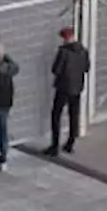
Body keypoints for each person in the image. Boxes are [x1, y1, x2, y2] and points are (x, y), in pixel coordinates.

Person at [44, 27, 90, 157]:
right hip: (77, 87)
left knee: (56, 115)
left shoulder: (63, 52)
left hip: (63, 87)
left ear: (65, 38)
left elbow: (56, 69)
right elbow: (87, 67)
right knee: (74, 115)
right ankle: (70, 143)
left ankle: (54, 145)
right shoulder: (83, 50)